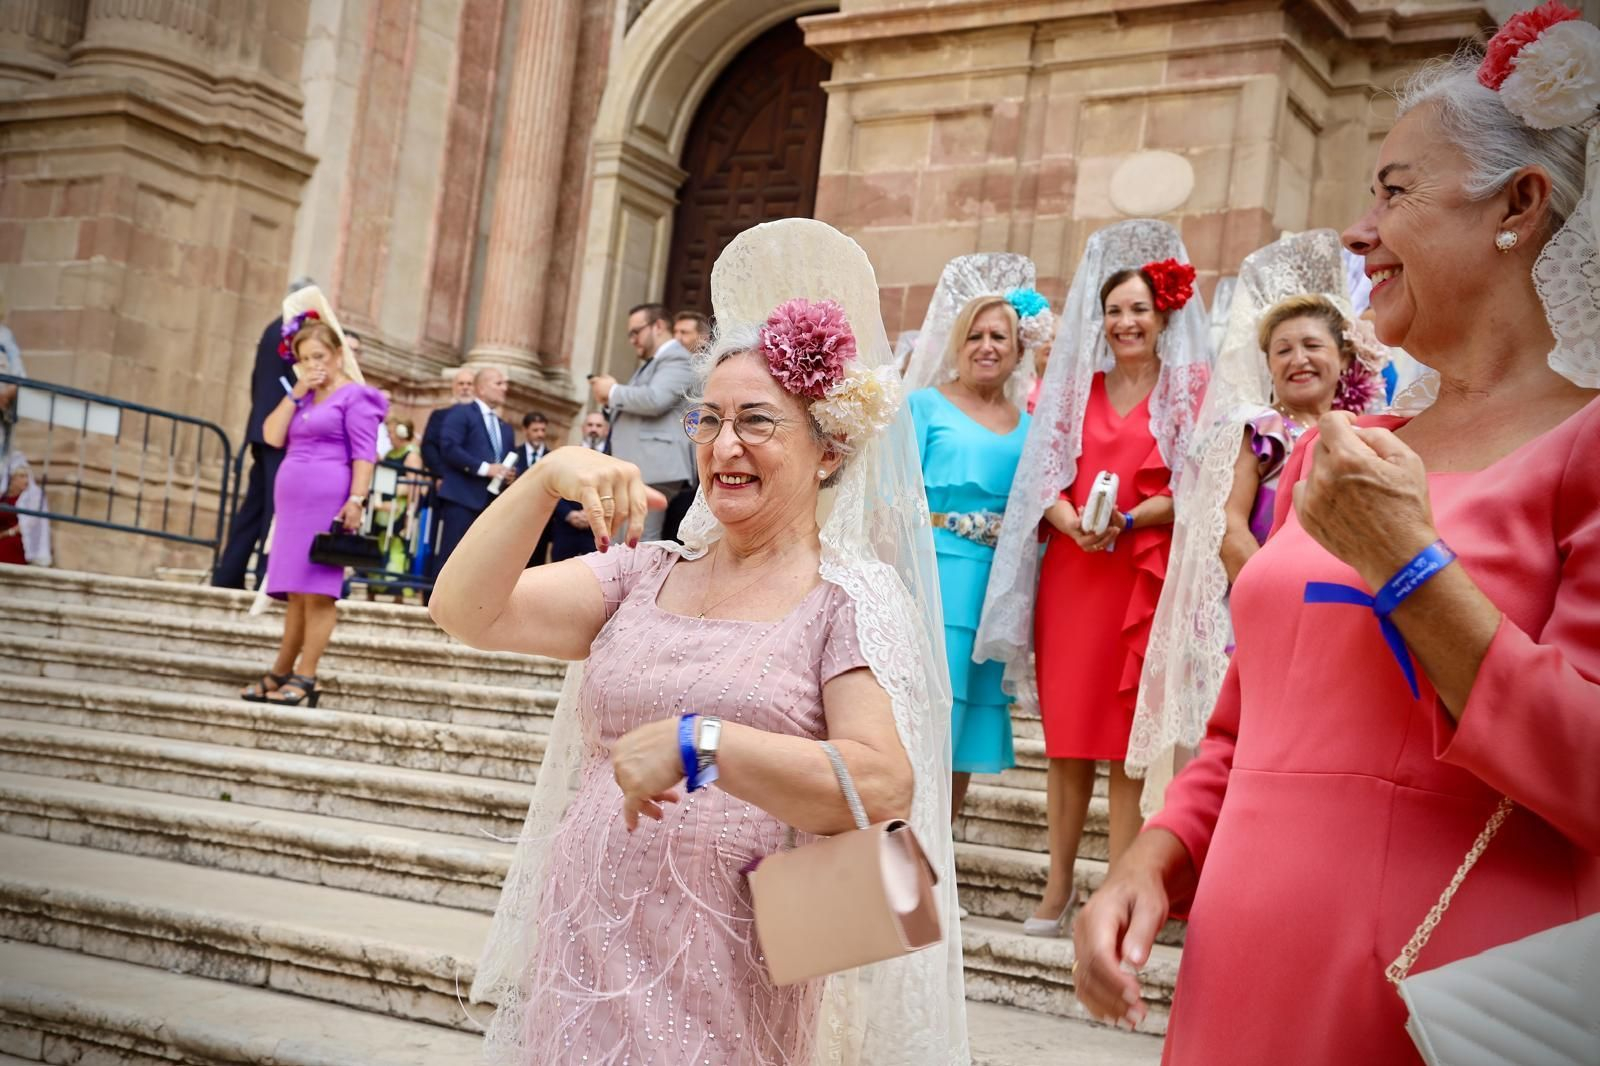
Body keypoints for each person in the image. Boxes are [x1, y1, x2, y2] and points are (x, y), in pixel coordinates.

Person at [1072, 22, 1600, 1062]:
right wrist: (1155, 857)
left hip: (1430, 988)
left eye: (1394, 193)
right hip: (1238, 965)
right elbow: (1242, 724)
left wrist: (1408, 568)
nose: (1359, 234)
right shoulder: (1343, 455)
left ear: (1518, 205)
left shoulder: (1583, 449)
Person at [444, 219, 968, 1066]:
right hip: (585, 950)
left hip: (735, 975)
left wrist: (705, 744)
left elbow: (883, 783)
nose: (724, 445)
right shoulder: (640, 574)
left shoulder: (847, 598)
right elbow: (466, 612)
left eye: (757, 422)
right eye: (708, 419)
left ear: (828, 452)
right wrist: (546, 480)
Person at [978, 220, 1213, 938]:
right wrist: (1070, 518)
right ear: (1100, 319)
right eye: (1115, 310)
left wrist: (1135, 520)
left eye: (1139, 308)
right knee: (1068, 740)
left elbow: (1203, 482)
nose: (1126, 321)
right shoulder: (1073, 389)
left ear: (1162, 314)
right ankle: (1054, 890)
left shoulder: (1188, 389)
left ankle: (1114, 893)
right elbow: (1040, 476)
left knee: (1127, 749)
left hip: (1140, 576)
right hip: (1075, 574)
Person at [1131, 231, 1389, 815]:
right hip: (1267, 615)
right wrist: (1274, 593)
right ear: (1267, 364)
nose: (1299, 359)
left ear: (1343, 357)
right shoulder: (1259, 432)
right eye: (1283, 349)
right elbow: (1227, 524)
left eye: (1312, 345)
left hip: (1350, 618)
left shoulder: (1372, 437)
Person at [902, 253, 1054, 821]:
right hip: (933, 581)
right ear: (957, 342)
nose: (987, 345)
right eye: (976, 335)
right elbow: (891, 504)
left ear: (1018, 350)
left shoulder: (1032, 428)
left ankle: (938, 867)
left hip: (995, 595)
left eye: (1000, 336)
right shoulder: (921, 406)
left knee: (962, 735)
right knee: (919, 722)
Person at [239, 287, 386, 708]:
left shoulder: (355, 396)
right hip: (291, 503)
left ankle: (305, 676)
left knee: (318, 592)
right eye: (304, 359)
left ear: (338, 356)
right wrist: (295, 390)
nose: (313, 365)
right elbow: (271, 435)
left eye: (319, 357)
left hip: (327, 498)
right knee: (293, 591)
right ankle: (281, 670)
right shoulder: (303, 396)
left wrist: (356, 500)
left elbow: (364, 454)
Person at [213, 275, 316, 588]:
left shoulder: (272, 328)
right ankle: (265, 575)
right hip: (280, 431)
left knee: (254, 506)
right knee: (276, 507)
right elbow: (293, 382)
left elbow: (258, 381)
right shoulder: (292, 332)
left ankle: (228, 573)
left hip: (262, 428)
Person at [591, 302, 697, 541]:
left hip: (654, 467)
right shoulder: (656, 362)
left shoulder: (678, 358)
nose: (632, 339)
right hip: (642, 466)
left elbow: (655, 399)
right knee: (627, 541)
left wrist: (613, 391)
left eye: (635, 332)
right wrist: (611, 400)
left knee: (637, 543)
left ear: (658, 325)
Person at [430, 366, 517, 576]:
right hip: (461, 498)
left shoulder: (504, 427)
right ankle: (439, 607)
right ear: (482, 388)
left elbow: (503, 458)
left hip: (490, 503)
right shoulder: (461, 413)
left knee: (479, 563)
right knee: (452, 557)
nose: (505, 388)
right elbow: (449, 447)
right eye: (499, 383)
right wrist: (486, 469)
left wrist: (508, 474)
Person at [549, 411, 610, 562]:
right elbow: (555, 487)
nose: (593, 429)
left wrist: (592, 514)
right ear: (583, 428)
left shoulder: (613, 458)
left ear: (606, 430)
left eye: (598, 425)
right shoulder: (567, 455)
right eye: (590, 425)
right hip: (566, 528)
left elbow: (614, 492)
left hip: (596, 532)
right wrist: (569, 514)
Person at [373, 417, 423, 597]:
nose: (389, 437)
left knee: (397, 549)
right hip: (382, 509)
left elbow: (414, 488)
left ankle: (396, 592)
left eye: (392, 432)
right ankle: (377, 588)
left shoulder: (411, 455)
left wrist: (410, 514)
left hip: (399, 509)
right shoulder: (390, 454)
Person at [419, 366, 476, 475]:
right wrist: (442, 474)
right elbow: (428, 447)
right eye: (461, 384)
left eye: (469, 384)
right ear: (453, 388)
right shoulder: (439, 416)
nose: (465, 387)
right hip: (444, 480)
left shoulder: (483, 420)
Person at [0, 449, 50, 566]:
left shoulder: (32, 495)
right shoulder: (3, 495)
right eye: (22, 476)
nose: (26, 480)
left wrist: (5, 534)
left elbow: (29, 523)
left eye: (27, 476)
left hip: (14, 538)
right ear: (12, 478)